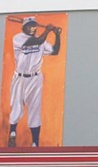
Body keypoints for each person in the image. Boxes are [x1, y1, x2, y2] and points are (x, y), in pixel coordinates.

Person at [7, 16, 61, 147]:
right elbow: (35, 41)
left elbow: (55, 51)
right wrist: (48, 30)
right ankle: (12, 133)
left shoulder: (41, 39)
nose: (32, 28)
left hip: (35, 79)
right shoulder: (18, 38)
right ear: (23, 27)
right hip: (19, 78)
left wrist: (57, 35)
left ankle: (35, 142)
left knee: (35, 108)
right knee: (16, 106)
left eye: (33, 26)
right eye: (29, 26)